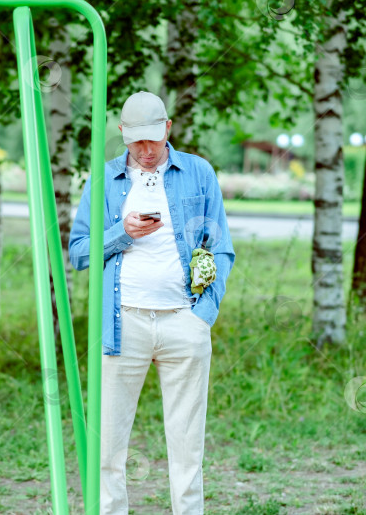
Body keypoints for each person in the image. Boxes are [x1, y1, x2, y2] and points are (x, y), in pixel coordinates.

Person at [69, 91, 235, 514]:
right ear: (122, 134)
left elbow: (221, 248)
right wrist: (121, 231)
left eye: (153, 140)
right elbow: (79, 252)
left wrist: (203, 315)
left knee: (187, 446)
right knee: (108, 448)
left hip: (185, 321)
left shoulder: (198, 173)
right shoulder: (103, 180)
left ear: (168, 129)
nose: (145, 151)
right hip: (123, 326)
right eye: (135, 141)